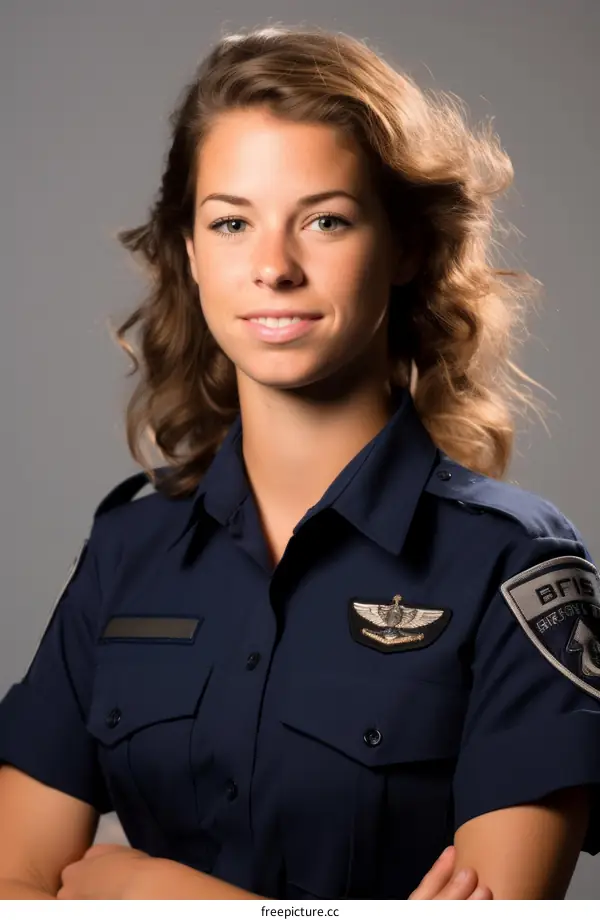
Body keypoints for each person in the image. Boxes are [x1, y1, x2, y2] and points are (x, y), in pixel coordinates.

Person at [0, 23, 598, 901]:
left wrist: (152, 894)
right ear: (192, 253)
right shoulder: (129, 549)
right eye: (232, 222)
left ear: (405, 247)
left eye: (325, 219)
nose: (273, 267)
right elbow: (13, 883)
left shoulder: (513, 566)